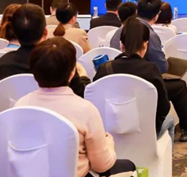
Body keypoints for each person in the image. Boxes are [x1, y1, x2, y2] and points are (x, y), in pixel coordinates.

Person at [15, 38, 136, 177]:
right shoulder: (85, 110)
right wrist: (109, 145)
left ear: (34, 72)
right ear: (72, 72)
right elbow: (101, 165)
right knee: (128, 166)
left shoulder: (20, 106)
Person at [97, 18, 187, 142]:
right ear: (145, 45)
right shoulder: (150, 70)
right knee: (170, 119)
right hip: (144, 129)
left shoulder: (104, 69)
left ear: (121, 44)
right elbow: (163, 106)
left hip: (110, 129)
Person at [0, 4, 90, 97]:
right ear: (45, 32)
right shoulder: (59, 61)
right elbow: (81, 94)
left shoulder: (3, 63)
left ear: (14, 32)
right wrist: (83, 75)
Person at [109, 0, 167, 73]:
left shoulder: (120, 30)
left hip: (114, 75)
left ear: (136, 11)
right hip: (141, 77)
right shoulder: (151, 36)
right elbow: (161, 67)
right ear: (156, 16)